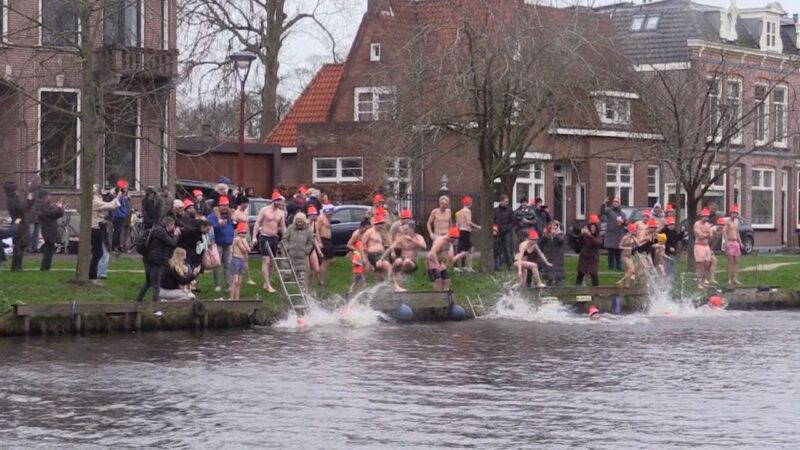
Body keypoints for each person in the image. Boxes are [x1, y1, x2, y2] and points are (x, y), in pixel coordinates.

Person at [136, 216, 179, 303]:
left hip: (148, 259)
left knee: (148, 282)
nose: (173, 228)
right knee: (156, 285)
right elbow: (172, 243)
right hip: (156, 261)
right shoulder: (161, 232)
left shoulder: (156, 229)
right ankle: (155, 305)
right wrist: (176, 235)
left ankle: (139, 299)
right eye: (172, 225)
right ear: (169, 224)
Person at [252, 190, 286, 293]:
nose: (280, 203)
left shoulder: (281, 213)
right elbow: (257, 223)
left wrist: (284, 237)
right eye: (279, 201)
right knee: (266, 260)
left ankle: (267, 282)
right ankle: (267, 284)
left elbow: (282, 227)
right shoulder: (264, 210)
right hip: (265, 237)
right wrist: (254, 237)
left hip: (274, 237)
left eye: (281, 201)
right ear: (274, 201)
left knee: (272, 262)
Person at [386, 214, 426, 291]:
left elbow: (424, 246)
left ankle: (400, 275)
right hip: (403, 258)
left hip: (412, 262)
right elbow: (393, 245)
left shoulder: (418, 237)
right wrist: (392, 251)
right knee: (398, 261)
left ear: (412, 229)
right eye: (404, 231)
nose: (405, 232)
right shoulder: (402, 237)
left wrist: (412, 240)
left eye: (407, 230)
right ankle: (392, 276)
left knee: (407, 261)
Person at [90, 185, 120, 281]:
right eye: (98, 192)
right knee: (99, 252)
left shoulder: (96, 200)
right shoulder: (94, 201)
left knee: (99, 252)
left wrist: (111, 195)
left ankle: (95, 273)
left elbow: (105, 203)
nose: (100, 193)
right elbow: (110, 205)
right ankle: (94, 274)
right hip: (96, 228)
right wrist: (117, 197)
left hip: (99, 227)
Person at [4, 181, 33, 272]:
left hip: (21, 224)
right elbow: (22, 208)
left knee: (21, 246)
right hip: (19, 224)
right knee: (19, 246)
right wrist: (27, 200)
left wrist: (29, 201)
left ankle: (18, 266)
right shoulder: (13, 201)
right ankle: (16, 267)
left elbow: (24, 207)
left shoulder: (13, 200)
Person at [209, 195, 235, 293]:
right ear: (219, 206)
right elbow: (210, 228)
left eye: (226, 205)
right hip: (217, 244)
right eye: (223, 205)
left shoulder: (230, 216)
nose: (225, 207)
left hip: (228, 244)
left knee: (228, 265)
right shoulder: (213, 216)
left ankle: (228, 285)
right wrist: (218, 225)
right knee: (217, 265)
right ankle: (217, 285)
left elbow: (234, 226)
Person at [282, 212, 315, 289]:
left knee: (301, 278)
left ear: (304, 221)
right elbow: (284, 239)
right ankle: (285, 290)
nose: (299, 223)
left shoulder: (308, 230)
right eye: (298, 221)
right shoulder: (290, 228)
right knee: (287, 275)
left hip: (301, 257)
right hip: (290, 256)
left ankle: (303, 293)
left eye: (301, 221)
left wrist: (306, 250)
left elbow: (311, 242)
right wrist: (287, 248)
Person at [231, 194, 256, 285]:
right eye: (244, 205)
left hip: (246, 233)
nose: (246, 206)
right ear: (240, 204)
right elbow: (234, 225)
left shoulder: (245, 212)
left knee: (246, 256)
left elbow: (247, 225)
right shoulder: (236, 213)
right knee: (239, 256)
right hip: (239, 234)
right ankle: (236, 276)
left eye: (247, 205)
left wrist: (250, 237)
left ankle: (248, 277)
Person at [37, 191, 64, 271]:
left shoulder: (47, 205)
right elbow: (52, 213)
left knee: (50, 248)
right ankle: (45, 266)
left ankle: (46, 265)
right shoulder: (43, 206)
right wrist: (59, 207)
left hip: (50, 228)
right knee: (49, 248)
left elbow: (57, 214)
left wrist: (60, 208)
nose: (50, 197)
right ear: (44, 196)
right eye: (49, 195)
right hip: (48, 229)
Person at [361, 214, 393, 283]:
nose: (382, 226)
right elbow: (362, 244)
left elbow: (388, 242)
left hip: (381, 254)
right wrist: (364, 258)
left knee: (380, 274)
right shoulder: (369, 232)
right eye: (381, 225)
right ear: (376, 224)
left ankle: (378, 289)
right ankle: (392, 284)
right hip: (373, 255)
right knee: (389, 267)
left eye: (383, 224)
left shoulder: (380, 232)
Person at [426, 227, 459, 291]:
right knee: (438, 281)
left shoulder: (449, 242)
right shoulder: (441, 241)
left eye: (456, 239)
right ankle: (435, 297)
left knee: (447, 281)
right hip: (431, 261)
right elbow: (433, 252)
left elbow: (446, 253)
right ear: (449, 236)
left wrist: (446, 263)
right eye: (453, 239)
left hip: (440, 262)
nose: (454, 240)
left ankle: (445, 297)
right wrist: (437, 264)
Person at [454, 196, 481, 273]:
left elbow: (458, 224)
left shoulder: (460, 211)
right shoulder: (467, 211)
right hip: (466, 232)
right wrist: (478, 227)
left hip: (461, 232)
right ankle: (467, 267)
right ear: (469, 203)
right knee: (469, 249)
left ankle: (461, 266)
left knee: (463, 249)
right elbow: (468, 222)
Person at [601, 197, 626, 271]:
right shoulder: (609, 211)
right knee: (611, 252)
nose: (615, 203)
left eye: (617, 202)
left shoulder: (622, 213)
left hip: (619, 234)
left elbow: (626, 221)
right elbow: (602, 211)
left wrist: (622, 222)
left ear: (619, 204)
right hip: (611, 235)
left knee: (618, 252)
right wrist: (603, 203)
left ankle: (618, 266)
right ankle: (611, 266)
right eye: (614, 202)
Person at [576, 214, 603, 287]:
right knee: (580, 275)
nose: (592, 229)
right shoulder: (585, 235)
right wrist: (581, 235)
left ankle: (596, 292)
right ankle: (576, 290)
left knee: (594, 276)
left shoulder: (599, 235)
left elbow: (597, 244)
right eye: (591, 227)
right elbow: (580, 243)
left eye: (594, 227)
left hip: (593, 258)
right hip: (584, 257)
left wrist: (590, 235)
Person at [229, 221, 252, 301]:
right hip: (236, 260)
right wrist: (245, 244)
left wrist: (245, 243)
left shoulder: (243, 239)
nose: (244, 234)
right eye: (242, 232)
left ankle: (237, 298)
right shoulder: (237, 239)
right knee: (235, 281)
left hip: (242, 260)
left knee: (239, 282)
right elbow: (244, 249)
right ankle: (232, 298)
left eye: (245, 233)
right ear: (238, 232)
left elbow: (248, 250)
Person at [539, 221, 566, 286]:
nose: (553, 227)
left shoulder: (560, 234)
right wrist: (544, 234)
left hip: (558, 258)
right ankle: (548, 284)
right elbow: (541, 242)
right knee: (549, 275)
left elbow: (561, 240)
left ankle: (559, 284)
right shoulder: (547, 235)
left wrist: (555, 235)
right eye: (551, 225)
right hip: (549, 257)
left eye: (555, 226)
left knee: (558, 275)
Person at [693, 208, 714, 288]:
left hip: (706, 246)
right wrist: (706, 234)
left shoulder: (708, 225)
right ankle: (699, 283)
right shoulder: (697, 224)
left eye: (707, 216)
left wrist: (706, 234)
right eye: (705, 216)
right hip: (699, 246)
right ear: (702, 216)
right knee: (700, 265)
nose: (706, 218)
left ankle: (704, 280)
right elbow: (700, 236)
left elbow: (711, 236)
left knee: (707, 264)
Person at [316, 204, 335, 286]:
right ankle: (320, 280)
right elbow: (316, 229)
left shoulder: (327, 218)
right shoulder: (321, 217)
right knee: (325, 260)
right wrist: (319, 241)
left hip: (328, 240)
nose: (331, 213)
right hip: (323, 240)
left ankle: (321, 278)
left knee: (328, 260)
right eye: (330, 211)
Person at [494, 195, 514, 271]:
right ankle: (498, 265)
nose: (507, 203)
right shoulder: (495, 210)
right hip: (497, 232)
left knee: (507, 248)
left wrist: (508, 228)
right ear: (501, 201)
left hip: (506, 232)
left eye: (507, 202)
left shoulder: (509, 210)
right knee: (498, 249)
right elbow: (494, 221)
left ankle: (510, 265)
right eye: (505, 201)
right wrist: (495, 229)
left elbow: (512, 221)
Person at [724, 204, 743, 286]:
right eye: (733, 213)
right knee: (730, 262)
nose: (735, 215)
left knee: (736, 262)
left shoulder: (736, 222)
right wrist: (727, 241)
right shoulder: (727, 222)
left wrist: (740, 242)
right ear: (730, 213)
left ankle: (735, 278)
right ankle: (729, 279)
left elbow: (737, 233)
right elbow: (724, 232)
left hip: (736, 243)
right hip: (730, 242)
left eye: (736, 213)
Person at [111, 180, 130, 252]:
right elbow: (117, 205)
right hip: (119, 216)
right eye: (125, 187)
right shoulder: (119, 195)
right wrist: (122, 213)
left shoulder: (122, 195)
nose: (126, 189)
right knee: (117, 231)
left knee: (118, 231)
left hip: (120, 215)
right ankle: (114, 246)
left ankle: (117, 246)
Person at [617, 223, 638, 287]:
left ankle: (627, 284)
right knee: (630, 270)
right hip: (624, 255)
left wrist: (635, 240)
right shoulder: (625, 237)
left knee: (632, 271)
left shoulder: (633, 238)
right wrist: (626, 247)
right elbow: (619, 246)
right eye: (634, 231)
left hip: (629, 255)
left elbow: (637, 245)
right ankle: (621, 280)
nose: (635, 232)